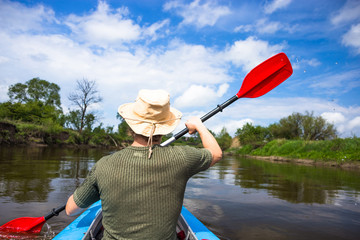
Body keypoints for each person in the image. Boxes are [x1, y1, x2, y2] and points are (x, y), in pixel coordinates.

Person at [65, 89, 222, 240]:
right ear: (165, 127)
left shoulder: (103, 165)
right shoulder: (182, 157)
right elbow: (216, 153)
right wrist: (199, 125)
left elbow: (70, 210)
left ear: (131, 125)